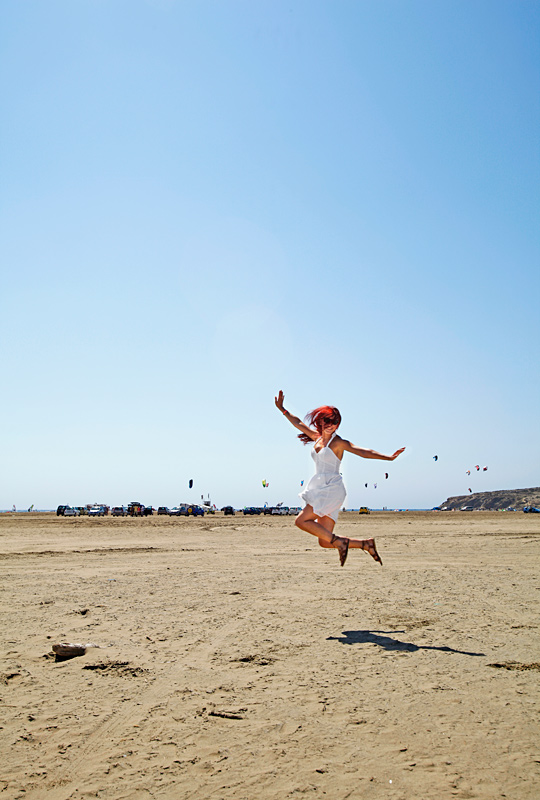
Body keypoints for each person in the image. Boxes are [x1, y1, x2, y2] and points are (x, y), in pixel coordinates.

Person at [275, 390, 405, 567]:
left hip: (331, 489)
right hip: (319, 488)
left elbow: (363, 452)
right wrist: (282, 409)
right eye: (327, 421)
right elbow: (297, 422)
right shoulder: (317, 438)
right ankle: (365, 544)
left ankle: (341, 542)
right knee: (324, 541)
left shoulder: (338, 443)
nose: (331, 425)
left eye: (335, 422)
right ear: (320, 421)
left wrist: (388, 457)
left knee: (301, 521)